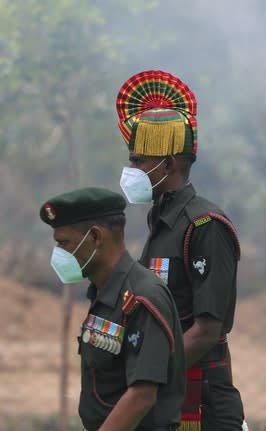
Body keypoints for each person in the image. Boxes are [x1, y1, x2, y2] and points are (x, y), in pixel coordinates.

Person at [116, 70, 245, 431]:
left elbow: (206, 330)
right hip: (166, 397)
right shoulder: (161, 221)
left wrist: (148, 376)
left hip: (200, 405)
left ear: (167, 164)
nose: (131, 169)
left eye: (138, 160)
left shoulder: (205, 225)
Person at [40, 187, 186, 431]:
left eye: (63, 243)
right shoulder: (104, 294)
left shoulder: (142, 296)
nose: (59, 254)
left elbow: (142, 395)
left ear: (96, 237)